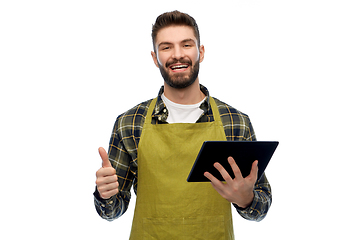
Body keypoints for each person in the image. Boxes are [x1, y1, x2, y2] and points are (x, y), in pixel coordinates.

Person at [94, 10, 272, 240]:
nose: (177, 55)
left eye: (186, 45)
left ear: (201, 52)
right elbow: (112, 212)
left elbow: (261, 207)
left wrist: (247, 199)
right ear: (155, 57)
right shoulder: (129, 123)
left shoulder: (235, 122)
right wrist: (105, 195)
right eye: (166, 47)